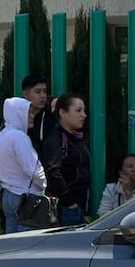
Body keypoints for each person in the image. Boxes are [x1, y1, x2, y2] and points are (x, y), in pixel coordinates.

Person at [0, 97, 46, 233]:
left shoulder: (2, 135)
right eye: (28, 112)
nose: (31, 116)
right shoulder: (20, 137)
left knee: (11, 244)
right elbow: (33, 169)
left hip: (8, 194)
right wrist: (44, 184)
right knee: (26, 245)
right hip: (25, 197)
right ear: (17, 113)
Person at [41, 93, 91, 226]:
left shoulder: (76, 138)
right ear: (63, 112)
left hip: (78, 205)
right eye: (78, 110)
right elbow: (53, 172)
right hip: (66, 208)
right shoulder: (56, 138)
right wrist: (70, 203)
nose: (83, 115)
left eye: (84, 110)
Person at [21, 74, 53, 151]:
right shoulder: (16, 115)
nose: (42, 96)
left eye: (45, 91)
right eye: (38, 92)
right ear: (25, 94)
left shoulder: (50, 114)